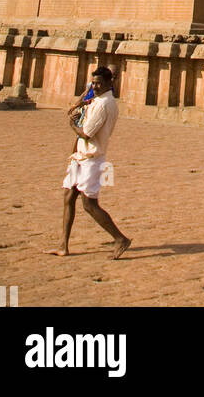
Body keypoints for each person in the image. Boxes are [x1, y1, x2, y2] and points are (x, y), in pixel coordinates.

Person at [52, 66, 131, 260]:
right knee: (68, 197)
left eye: (98, 83)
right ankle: (63, 245)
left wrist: (72, 124)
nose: (94, 86)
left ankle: (120, 238)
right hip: (81, 156)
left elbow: (87, 133)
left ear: (109, 84)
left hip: (93, 159)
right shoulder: (97, 99)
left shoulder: (105, 104)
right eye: (93, 83)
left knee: (89, 204)